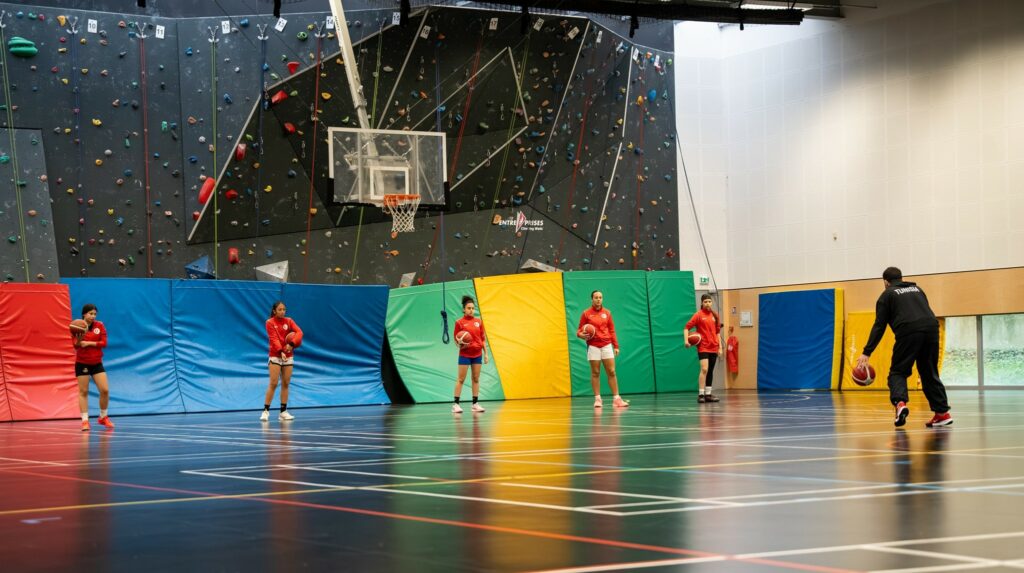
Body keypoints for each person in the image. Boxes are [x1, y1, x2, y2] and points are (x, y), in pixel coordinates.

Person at [857, 267, 952, 428]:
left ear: (886, 282)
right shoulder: (917, 289)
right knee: (929, 372)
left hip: (909, 331)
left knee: (898, 372)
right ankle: (942, 413)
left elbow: (879, 326)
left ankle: (900, 403)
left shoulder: (887, 295)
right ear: (901, 278)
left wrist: (867, 352)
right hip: (931, 329)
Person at [577, 290, 629, 409]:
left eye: (600, 297)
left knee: (611, 371)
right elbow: (579, 330)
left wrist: (616, 346)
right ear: (592, 299)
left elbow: (612, 330)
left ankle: (617, 399)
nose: (598, 299)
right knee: (595, 372)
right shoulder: (586, 313)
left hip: (607, 345)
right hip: (593, 346)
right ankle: (597, 399)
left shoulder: (607, 313)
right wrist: (580, 335)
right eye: (596, 297)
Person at [73, 304, 114, 431]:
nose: (93, 316)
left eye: (95, 314)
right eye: (90, 313)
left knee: (105, 390)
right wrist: (79, 340)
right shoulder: (77, 326)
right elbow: (76, 346)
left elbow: (104, 343)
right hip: (82, 363)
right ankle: (85, 421)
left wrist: (89, 343)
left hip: (96, 362)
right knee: (83, 392)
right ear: (84, 314)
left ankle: (103, 417)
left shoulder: (99, 325)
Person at [262, 301, 302, 422]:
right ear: (274, 311)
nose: (282, 312)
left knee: (286, 383)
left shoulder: (289, 321)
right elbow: (273, 339)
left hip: (288, 355)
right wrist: (280, 351)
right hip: (275, 355)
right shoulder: (269, 322)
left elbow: (299, 333)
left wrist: (291, 344)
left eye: (284, 309)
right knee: (273, 383)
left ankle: (283, 412)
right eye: (280, 309)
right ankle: (265, 411)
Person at [452, 295, 488, 414]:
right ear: (464, 309)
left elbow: (483, 339)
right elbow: (456, 341)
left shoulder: (479, 322)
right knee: (461, 379)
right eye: (469, 308)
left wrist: (486, 354)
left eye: (473, 308)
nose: (471, 310)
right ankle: (456, 405)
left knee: (476, 379)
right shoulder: (459, 322)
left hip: (477, 354)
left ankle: (475, 404)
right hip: (465, 355)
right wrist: (461, 344)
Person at [685, 294, 723, 403]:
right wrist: (686, 341)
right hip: (703, 346)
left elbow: (717, 332)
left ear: (711, 303)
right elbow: (686, 328)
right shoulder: (698, 315)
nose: (707, 303)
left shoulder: (715, 315)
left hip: (714, 346)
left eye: (709, 301)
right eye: (705, 302)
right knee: (704, 369)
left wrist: (720, 347)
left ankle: (708, 394)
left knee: (710, 370)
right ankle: (701, 394)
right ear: (702, 303)